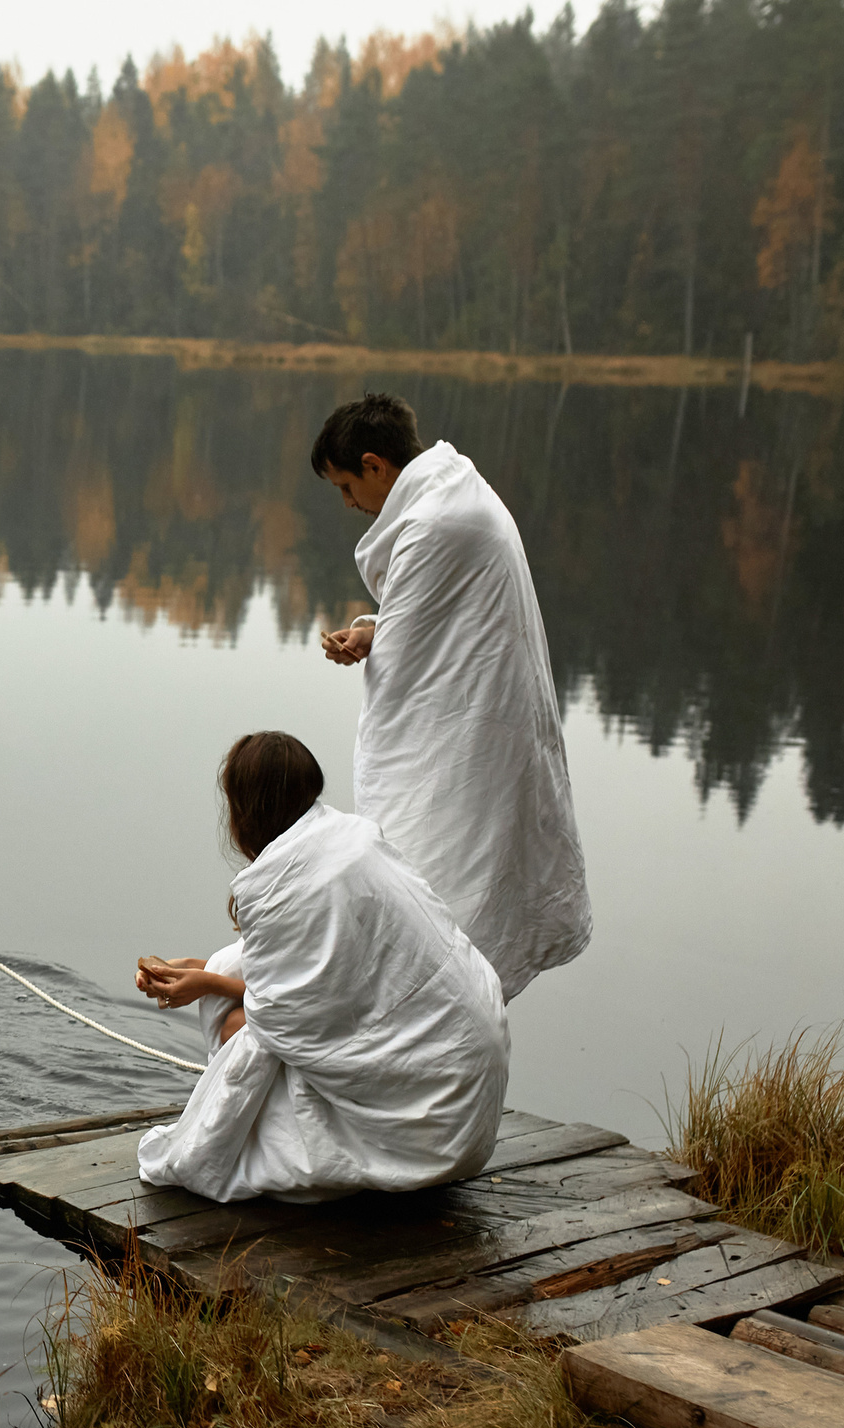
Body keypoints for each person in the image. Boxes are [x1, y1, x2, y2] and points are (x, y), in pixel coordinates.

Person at [133, 732, 510, 1205]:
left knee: (234, 1028)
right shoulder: (350, 837)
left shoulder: (283, 883)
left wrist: (206, 983)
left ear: (243, 810)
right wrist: (199, 970)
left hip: (429, 1129)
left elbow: (283, 1017)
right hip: (469, 1092)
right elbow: (320, 981)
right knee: (237, 978)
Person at [312, 394, 590, 1000]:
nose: (349, 503)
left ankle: (439, 1016)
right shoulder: (459, 491)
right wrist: (373, 633)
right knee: (455, 890)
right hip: (496, 722)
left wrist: (382, 647)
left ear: (374, 465)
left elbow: (410, 673)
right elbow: (441, 623)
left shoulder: (432, 522)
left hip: (474, 738)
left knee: (435, 872)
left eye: (347, 486)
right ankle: (447, 1013)